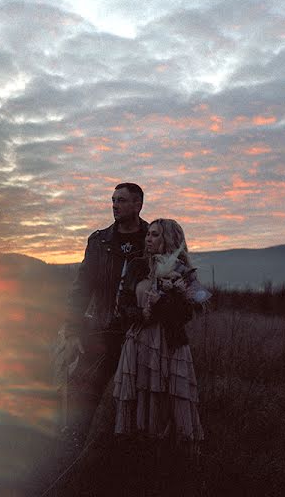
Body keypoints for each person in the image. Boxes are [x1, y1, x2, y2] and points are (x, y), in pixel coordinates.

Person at [57, 182, 149, 447]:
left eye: (121, 200)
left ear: (138, 204)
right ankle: (73, 446)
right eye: (113, 200)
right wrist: (73, 331)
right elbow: (81, 289)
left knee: (138, 395)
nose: (115, 206)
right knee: (86, 391)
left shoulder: (153, 238)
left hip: (140, 335)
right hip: (101, 332)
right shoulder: (99, 242)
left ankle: (129, 450)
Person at [111, 218, 207, 445]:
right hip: (140, 342)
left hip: (170, 344)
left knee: (170, 398)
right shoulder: (137, 265)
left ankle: (171, 455)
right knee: (140, 396)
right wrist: (141, 314)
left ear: (169, 239)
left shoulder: (183, 272)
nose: (148, 239)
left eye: (155, 235)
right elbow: (122, 306)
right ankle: (137, 451)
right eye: (148, 234)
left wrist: (173, 295)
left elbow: (187, 314)